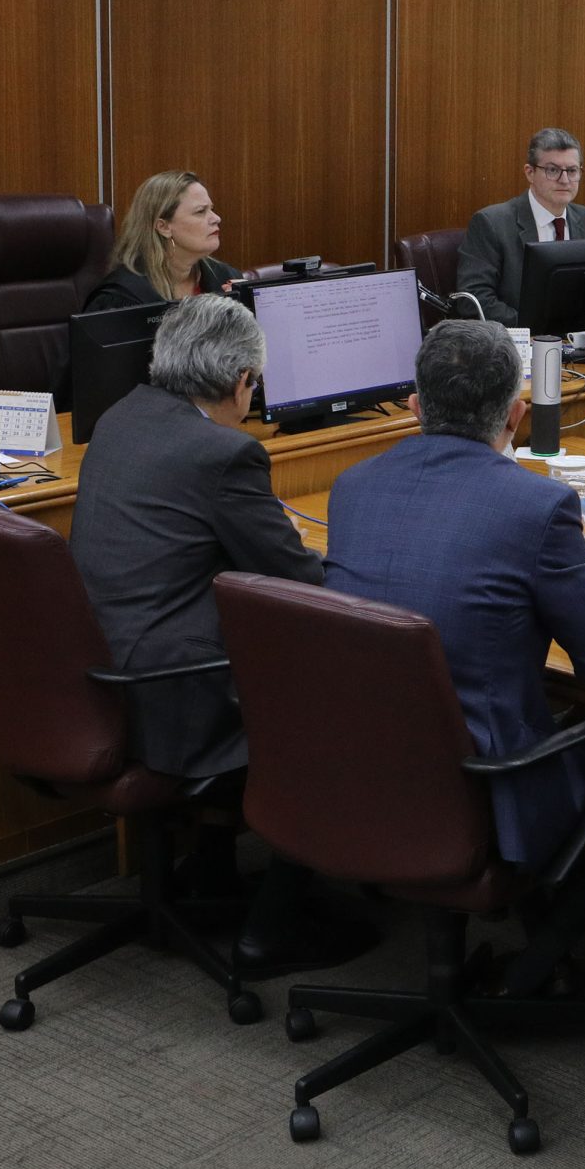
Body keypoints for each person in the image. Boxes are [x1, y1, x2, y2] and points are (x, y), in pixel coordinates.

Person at [323, 320, 585, 992]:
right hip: (481, 784)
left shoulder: (352, 486)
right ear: (517, 413)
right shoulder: (536, 506)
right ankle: (537, 968)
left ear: (417, 407)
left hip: (352, 770)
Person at [69, 294, 371, 976]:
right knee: (340, 694)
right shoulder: (224, 454)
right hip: (170, 692)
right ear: (240, 382)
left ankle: (211, 871)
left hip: (103, 673)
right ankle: (272, 928)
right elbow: (303, 582)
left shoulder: (122, 417)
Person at [454, 127, 585, 326]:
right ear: (529, 172)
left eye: (572, 171)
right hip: (517, 344)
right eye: (553, 170)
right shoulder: (491, 223)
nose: (564, 180)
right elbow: (473, 300)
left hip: (574, 344)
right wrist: (535, 327)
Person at [84, 170, 241, 311]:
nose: (216, 218)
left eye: (211, 209)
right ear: (163, 227)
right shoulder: (122, 299)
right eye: (201, 211)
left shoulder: (226, 278)